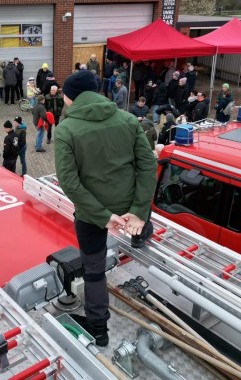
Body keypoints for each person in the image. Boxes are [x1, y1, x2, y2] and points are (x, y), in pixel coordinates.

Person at [54, 70, 157, 347]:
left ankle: (99, 329)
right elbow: (148, 166)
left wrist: (103, 216)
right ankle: (141, 230)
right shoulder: (127, 119)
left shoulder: (65, 130)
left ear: (70, 98)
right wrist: (138, 211)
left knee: (94, 271)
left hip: (91, 216)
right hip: (130, 205)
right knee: (142, 223)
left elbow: (69, 182)